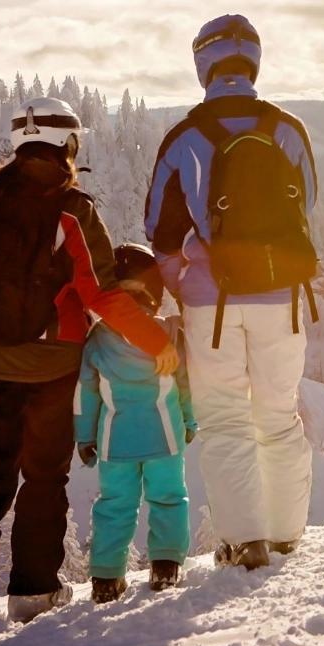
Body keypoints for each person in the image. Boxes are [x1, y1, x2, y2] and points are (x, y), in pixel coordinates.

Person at [0, 96, 177, 624]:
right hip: (53, 363)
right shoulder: (72, 210)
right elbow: (101, 294)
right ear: (67, 145)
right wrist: (155, 341)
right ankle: (32, 593)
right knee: (44, 476)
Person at [145, 14, 318, 571]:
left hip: (212, 303)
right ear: (254, 62)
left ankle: (246, 542)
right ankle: (287, 534)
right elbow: (305, 206)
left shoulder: (184, 136)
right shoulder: (288, 128)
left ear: (203, 64)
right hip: (283, 297)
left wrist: (186, 284)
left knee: (224, 420)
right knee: (279, 415)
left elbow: (160, 231)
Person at [76, 243, 195, 603]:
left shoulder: (97, 339)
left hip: (115, 442)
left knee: (114, 504)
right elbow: (186, 384)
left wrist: (84, 438)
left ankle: (107, 579)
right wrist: (189, 420)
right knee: (169, 499)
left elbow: (86, 394)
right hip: (166, 437)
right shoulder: (170, 335)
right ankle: (165, 566)